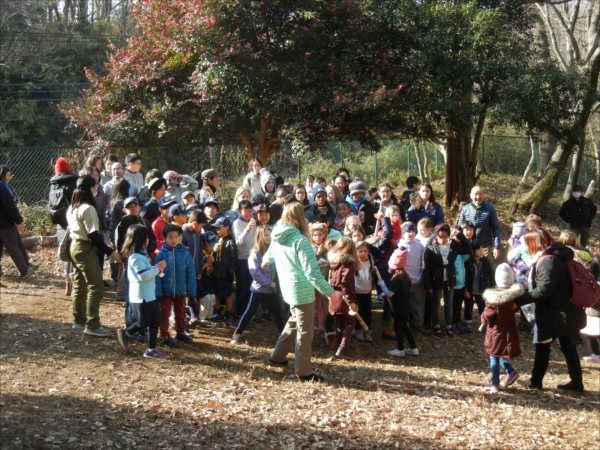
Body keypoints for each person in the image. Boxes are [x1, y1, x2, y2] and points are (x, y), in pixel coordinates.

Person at [262, 203, 344, 382]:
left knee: (294, 322)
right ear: (301, 218)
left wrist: (265, 262)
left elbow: (269, 256)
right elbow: (312, 273)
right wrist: (330, 293)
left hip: (288, 290)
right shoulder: (301, 241)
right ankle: (304, 372)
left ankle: (277, 357)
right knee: (305, 332)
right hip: (302, 291)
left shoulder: (277, 236)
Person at [513, 228, 587, 391]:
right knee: (567, 346)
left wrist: (519, 299)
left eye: (527, 243)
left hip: (555, 313)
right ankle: (576, 381)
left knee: (543, 345)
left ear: (536, 243)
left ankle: (536, 381)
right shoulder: (554, 256)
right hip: (562, 311)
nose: (525, 247)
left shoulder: (549, 260)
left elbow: (543, 290)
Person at [66, 176, 123, 336]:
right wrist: (111, 252)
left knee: (80, 284)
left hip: (74, 246)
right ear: (91, 188)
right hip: (84, 248)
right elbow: (94, 236)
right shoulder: (88, 208)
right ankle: (92, 325)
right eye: (95, 186)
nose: (97, 189)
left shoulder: (72, 207)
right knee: (96, 286)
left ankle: (79, 320)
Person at [117, 225, 168, 359]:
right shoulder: (136, 258)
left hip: (148, 295)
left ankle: (151, 349)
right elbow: (143, 276)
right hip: (142, 296)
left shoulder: (142, 255)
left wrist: (157, 269)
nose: (148, 240)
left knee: (155, 321)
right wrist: (158, 268)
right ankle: (127, 333)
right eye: (146, 238)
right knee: (142, 322)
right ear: (140, 240)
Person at [231, 225, 284, 344]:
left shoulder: (274, 250)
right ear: (259, 236)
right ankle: (237, 333)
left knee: (277, 313)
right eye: (265, 235)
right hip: (259, 288)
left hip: (272, 289)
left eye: (270, 235)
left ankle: (284, 336)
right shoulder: (255, 252)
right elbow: (254, 272)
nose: (268, 237)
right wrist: (268, 283)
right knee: (249, 311)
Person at [422, 224, 470, 338]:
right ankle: (436, 326)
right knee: (436, 303)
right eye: (440, 237)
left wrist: (459, 234)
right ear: (435, 236)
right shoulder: (430, 247)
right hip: (436, 278)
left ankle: (449, 325)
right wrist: (427, 284)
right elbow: (425, 267)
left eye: (445, 237)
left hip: (449, 278)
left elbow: (468, 248)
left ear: (448, 236)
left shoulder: (453, 245)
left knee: (449, 303)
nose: (442, 240)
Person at [480, 263, 522, 393]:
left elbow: (489, 315)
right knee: (499, 352)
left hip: (496, 332)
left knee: (494, 355)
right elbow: (516, 308)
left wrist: (482, 320)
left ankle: (495, 383)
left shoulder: (493, 298)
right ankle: (510, 371)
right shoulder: (514, 296)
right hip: (509, 330)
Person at [155, 224, 196, 346]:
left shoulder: (185, 253)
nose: (173, 240)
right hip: (166, 290)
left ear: (180, 237)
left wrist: (191, 291)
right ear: (164, 238)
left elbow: (190, 272)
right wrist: (159, 289)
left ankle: (180, 332)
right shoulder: (161, 254)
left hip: (180, 289)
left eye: (176, 237)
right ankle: (164, 334)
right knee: (165, 313)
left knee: (180, 312)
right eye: (170, 237)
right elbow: (157, 273)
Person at [379, 247, 419, 357]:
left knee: (398, 327)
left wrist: (382, 288)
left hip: (401, 307)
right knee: (405, 326)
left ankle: (400, 349)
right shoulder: (405, 276)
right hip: (407, 305)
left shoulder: (397, 278)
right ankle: (413, 348)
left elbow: (390, 293)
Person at [327, 237, 359, 359]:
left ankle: (337, 344)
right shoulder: (348, 263)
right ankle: (343, 346)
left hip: (335, 295)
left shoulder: (334, 262)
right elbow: (346, 284)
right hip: (344, 298)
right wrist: (351, 302)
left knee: (340, 322)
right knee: (351, 322)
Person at [0, 165, 34, 280]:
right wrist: (19, 220)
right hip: (5, 224)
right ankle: (24, 271)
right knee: (13, 247)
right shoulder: (2, 187)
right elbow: (9, 206)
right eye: (8, 175)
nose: (9, 178)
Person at [458, 186, 501, 260]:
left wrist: (497, 246)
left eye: (480, 194)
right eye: (475, 194)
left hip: (485, 246)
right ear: (471, 195)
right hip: (468, 245)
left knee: (484, 268)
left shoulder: (490, 209)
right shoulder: (465, 208)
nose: (478, 197)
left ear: (484, 195)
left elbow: (495, 229)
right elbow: (459, 227)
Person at [397, 222, 427, 334]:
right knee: (404, 305)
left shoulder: (420, 246)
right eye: (407, 231)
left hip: (418, 280)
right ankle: (405, 325)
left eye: (412, 231)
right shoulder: (399, 245)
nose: (410, 234)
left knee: (419, 304)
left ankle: (418, 324)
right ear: (403, 233)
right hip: (404, 281)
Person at [182, 209, 207, 324]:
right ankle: (181, 317)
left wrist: (199, 270)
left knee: (192, 293)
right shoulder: (182, 234)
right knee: (182, 295)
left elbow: (200, 254)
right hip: (183, 271)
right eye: (201, 226)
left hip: (194, 271)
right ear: (195, 223)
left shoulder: (197, 234)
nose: (201, 229)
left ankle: (194, 317)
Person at [210, 216, 237, 325]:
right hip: (215, 272)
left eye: (219, 227)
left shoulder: (230, 242)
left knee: (227, 294)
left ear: (227, 228)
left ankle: (229, 313)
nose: (217, 230)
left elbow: (233, 258)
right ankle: (218, 312)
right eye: (216, 228)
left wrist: (231, 271)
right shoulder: (215, 240)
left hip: (225, 273)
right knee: (216, 293)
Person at [464, 241, 494, 333]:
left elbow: (491, 273)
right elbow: (465, 276)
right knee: (468, 307)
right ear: (473, 252)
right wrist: (465, 289)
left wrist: (492, 286)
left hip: (482, 289)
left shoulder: (485, 261)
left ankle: (484, 323)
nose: (481, 251)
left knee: (483, 307)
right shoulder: (468, 262)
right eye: (479, 250)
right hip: (470, 289)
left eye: (482, 249)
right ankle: (468, 322)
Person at [233, 200, 257, 317]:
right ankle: (240, 311)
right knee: (242, 286)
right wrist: (247, 230)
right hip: (241, 259)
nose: (248, 213)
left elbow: (256, 240)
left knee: (250, 285)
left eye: (250, 211)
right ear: (239, 211)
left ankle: (248, 312)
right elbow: (238, 242)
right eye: (245, 211)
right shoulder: (237, 224)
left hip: (252, 259)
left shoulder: (253, 222)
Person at [49, 156, 79, 229]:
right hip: (74, 221)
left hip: (59, 221)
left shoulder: (53, 185)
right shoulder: (75, 182)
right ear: (68, 168)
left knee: (62, 239)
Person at [354, 241, 375, 342]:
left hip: (367, 291)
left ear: (369, 252)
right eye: (360, 251)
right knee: (358, 311)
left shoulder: (371, 260)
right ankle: (358, 330)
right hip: (357, 291)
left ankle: (368, 331)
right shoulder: (354, 262)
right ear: (356, 252)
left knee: (367, 312)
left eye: (365, 251)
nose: (363, 253)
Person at [581, 260, 600, 364]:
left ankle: (597, 354)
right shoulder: (588, 283)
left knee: (596, 335)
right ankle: (595, 353)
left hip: (596, 314)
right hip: (591, 314)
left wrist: (587, 301)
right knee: (591, 335)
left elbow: (595, 299)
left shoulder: (597, 284)